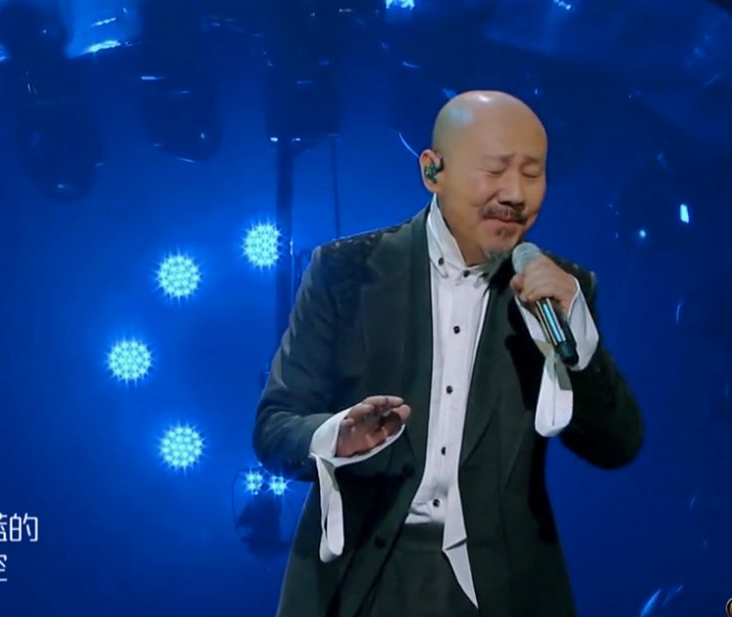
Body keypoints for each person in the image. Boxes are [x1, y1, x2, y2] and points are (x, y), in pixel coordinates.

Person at [253, 90, 643, 617]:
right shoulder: (346, 271)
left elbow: (618, 446)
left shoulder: (561, 290)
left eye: (532, 174)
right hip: (357, 579)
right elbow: (275, 427)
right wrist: (335, 437)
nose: (515, 194)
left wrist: (578, 341)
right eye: (495, 170)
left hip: (501, 585)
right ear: (433, 171)